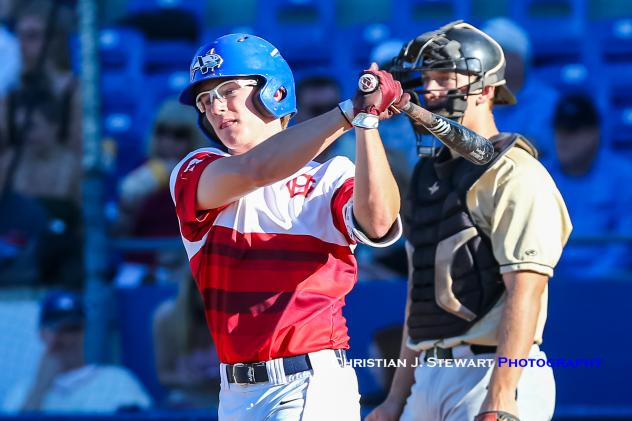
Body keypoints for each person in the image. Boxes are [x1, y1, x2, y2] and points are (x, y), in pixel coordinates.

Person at [170, 33, 404, 420]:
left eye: (228, 90)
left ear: (275, 92)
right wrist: (350, 111)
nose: (216, 107)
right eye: (205, 100)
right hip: (233, 391)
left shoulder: (331, 175)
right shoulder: (195, 169)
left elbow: (378, 224)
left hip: (311, 381)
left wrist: (368, 122)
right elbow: (258, 169)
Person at [366, 21, 572, 421]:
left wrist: (502, 397)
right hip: (428, 373)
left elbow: (525, 292)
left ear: (488, 89)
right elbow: (420, 296)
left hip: (493, 371)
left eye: (445, 78)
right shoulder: (428, 174)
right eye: (427, 80)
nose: (432, 91)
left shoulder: (515, 170)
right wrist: (394, 400)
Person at [1, 289, 152, 413]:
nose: (65, 338)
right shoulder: (22, 391)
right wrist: (39, 390)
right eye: (57, 330)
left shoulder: (116, 380)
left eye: (72, 329)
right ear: (42, 333)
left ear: (84, 331)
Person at [549, 94, 632, 280]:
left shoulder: (624, 178)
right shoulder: (539, 176)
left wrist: (590, 281)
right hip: (551, 283)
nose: (563, 139)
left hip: (609, 284)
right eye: (558, 129)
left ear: (595, 133)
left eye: (572, 130)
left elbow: (623, 246)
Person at [481, 17, 560, 163]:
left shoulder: (549, 103)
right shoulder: (473, 97)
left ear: (518, 58)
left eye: (497, 51)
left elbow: (544, 148)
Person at [152, 275, 221, 409]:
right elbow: (164, 375)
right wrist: (191, 381)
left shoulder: (230, 316)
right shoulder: (166, 318)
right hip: (185, 401)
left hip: (226, 399)